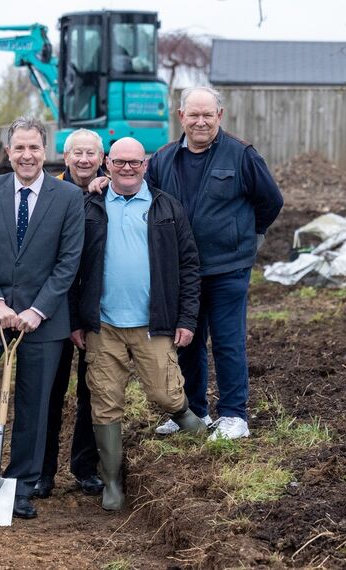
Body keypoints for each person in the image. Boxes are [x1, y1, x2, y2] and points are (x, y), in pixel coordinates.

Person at [70, 137, 205, 511]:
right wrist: (76, 320)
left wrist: (186, 318)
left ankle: (200, 435)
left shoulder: (167, 208)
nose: (127, 168)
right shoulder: (90, 206)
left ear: (145, 165)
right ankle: (112, 482)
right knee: (105, 402)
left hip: (153, 323)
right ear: (107, 165)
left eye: (134, 162)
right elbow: (70, 267)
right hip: (104, 326)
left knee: (166, 395)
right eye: (119, 162)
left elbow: (190, 266)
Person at [0, 117, 85, 519]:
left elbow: (69, 262)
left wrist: (37, 310)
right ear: (8, 151)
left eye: (34, 148)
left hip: (44, 316)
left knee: (35, 399)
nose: (27, 155)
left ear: (44, 152)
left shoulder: (67, 197)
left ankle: (21, 485)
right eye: (19, 148)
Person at [148, 86, 283, 440]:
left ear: (220, 116)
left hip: (227, 268)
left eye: (208, 114)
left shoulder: (241, 155)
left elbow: (271, 201)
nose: (201, 121)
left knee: (227, 341)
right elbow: (140, 195)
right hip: (182, 272)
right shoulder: (163, 159)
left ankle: (234, 415)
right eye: (193, 114)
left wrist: (245, 238)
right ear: (181, 117)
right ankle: (192, 413)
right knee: (188, 342)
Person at [34, 128, 105, 500]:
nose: (83, 160)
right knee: (50, 389)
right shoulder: (48, 193)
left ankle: (85, 466)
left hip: (97, 308)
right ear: (65, 156)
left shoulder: (111, 194)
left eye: (90, 153)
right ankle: (42, 470)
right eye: (77, 153)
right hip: (55, 307)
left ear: (101, 157)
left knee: (93, 391)